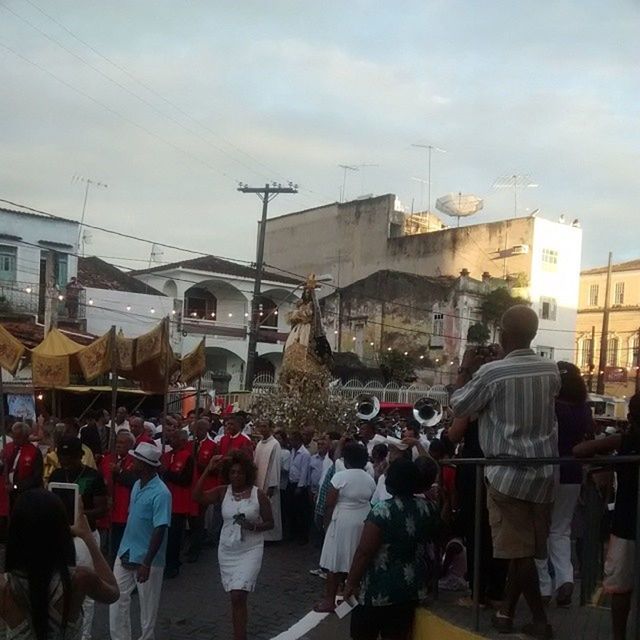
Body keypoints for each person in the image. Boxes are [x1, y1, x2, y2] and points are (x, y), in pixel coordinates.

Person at [451, 306, 559, 639]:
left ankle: (540, 620)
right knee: (524, 550)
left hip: (506, 475)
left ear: (502, 333)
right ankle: (506, 612)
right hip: (544, 474)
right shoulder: (551, 369)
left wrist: (467, 370)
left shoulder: (492, 373)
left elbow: (458, 405)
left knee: (519, 552)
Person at [0, 489, 118, 640]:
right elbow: (113, 592)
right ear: (61, 531)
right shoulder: (79, 579)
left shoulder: (4, 588)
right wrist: (87, 536)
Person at [344, 458, 440, 640]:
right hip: (409, 588)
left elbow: (364, 552)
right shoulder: (428, 509)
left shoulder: (382, 511)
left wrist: (351, 582)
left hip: (377, 590)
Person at [573, 393, 640, 640]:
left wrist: (611, 460)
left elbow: (579, 450)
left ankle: (619, 636)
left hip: (625, 522)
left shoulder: (624, 441)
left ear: (631, 417)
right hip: (625, 522)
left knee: (621, 587)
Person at [193, 450, 274, 640]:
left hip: (250, 549)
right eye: (232, 472)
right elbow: (197, 497)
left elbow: (270, 523)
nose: (236, 476)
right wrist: (207, 471)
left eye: (240, 472)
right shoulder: (223, 491)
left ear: (247, 474)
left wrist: (253, 526)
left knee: (238, 595)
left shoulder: (258, 494)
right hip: (228, 549)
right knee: (234, 596)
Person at [536, 361, 593, 607]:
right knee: (561, 529)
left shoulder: (551, 405)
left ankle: (543, 586)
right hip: (574, 471)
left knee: (538, 527)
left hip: (549, 467)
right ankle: (565, 578)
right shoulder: (584, 409)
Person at [109, 442, 172, 640]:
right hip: (126, 549)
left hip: (148, 557)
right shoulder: (137, 484)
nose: (131, 464)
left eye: (135, 461)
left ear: (144, 465)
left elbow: (160, 528)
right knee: (116, 598)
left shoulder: (162, 493)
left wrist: (147, 562)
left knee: (148, 609)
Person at [49, 437, 108, 640]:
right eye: (62, 456)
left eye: (69, 457)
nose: (65, 461)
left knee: (86, 589)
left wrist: (78, 516)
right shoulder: (56, 474)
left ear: (80, 456)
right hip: (61, 536)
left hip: (85, 537)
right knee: (58, 584)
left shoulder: (93, 476)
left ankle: (85, 636)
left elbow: (102, 508)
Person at [314, 443, 376, 612]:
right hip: (363, 520)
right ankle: (353, 599)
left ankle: (329, 601)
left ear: (347, 460)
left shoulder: (340, 477)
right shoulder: (369, 478)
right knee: (356, 559)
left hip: (342, 520)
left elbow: (329, 503)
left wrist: (327, 524)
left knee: (334, 561)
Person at [161, 428, 194, 579]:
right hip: (164, 501)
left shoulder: (188, 457)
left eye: (174, 438)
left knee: (174, 537)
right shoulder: (166, 456)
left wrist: (166, 473)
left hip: (178, 503)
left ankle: (173, 564)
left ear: (182, 441)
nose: (170, 440)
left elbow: (185, 480)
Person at [99, 431, 136, 563]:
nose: (118, 445)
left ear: (130, 445)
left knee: (119, 542)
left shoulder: (135, 461)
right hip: (108, 507)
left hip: (124, 507)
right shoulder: (108, 459)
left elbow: (134, 481)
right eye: (117, 442)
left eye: (122, 443)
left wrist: (119, 471)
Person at [186, 418, 219, 562]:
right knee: (190, 519)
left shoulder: (212, 446)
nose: (197, 432)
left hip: (203, 488)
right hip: (188, 487)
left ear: (206, 430)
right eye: (195, 429)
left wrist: (199, 465)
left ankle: (196, 549)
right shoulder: (189, 444)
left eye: (200, 429)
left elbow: (215, 469)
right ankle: (192, 544)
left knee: (198, 519)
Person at [253, 419, 283, 542]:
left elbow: (275, 465)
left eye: (265, 426)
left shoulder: (275, 444)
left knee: (271, 508)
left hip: (269, 484)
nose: (263, 429)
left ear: (270, 428)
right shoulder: (260, 443)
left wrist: (272, 485)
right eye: (261, 426)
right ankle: (262, 535)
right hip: (259, 482)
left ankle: (272, 537)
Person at [2, 422, 43, 509]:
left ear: (25, 437)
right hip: (6, 491)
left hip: (24, 493)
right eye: (14, 436)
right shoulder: (8, 447)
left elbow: (36, 479)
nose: (14, 439)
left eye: (17, 437)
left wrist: (15, 487)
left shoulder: (34, 452)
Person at [287, 431, 311, 544]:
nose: (291, 442)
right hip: (291, 482)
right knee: (291, 510)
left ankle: (303, 536)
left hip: (299, 485)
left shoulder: (305, 453)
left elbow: (304, 471)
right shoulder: (292, 451)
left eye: (292, 440)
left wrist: (300, 486)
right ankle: (292, 533)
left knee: (301, 511)